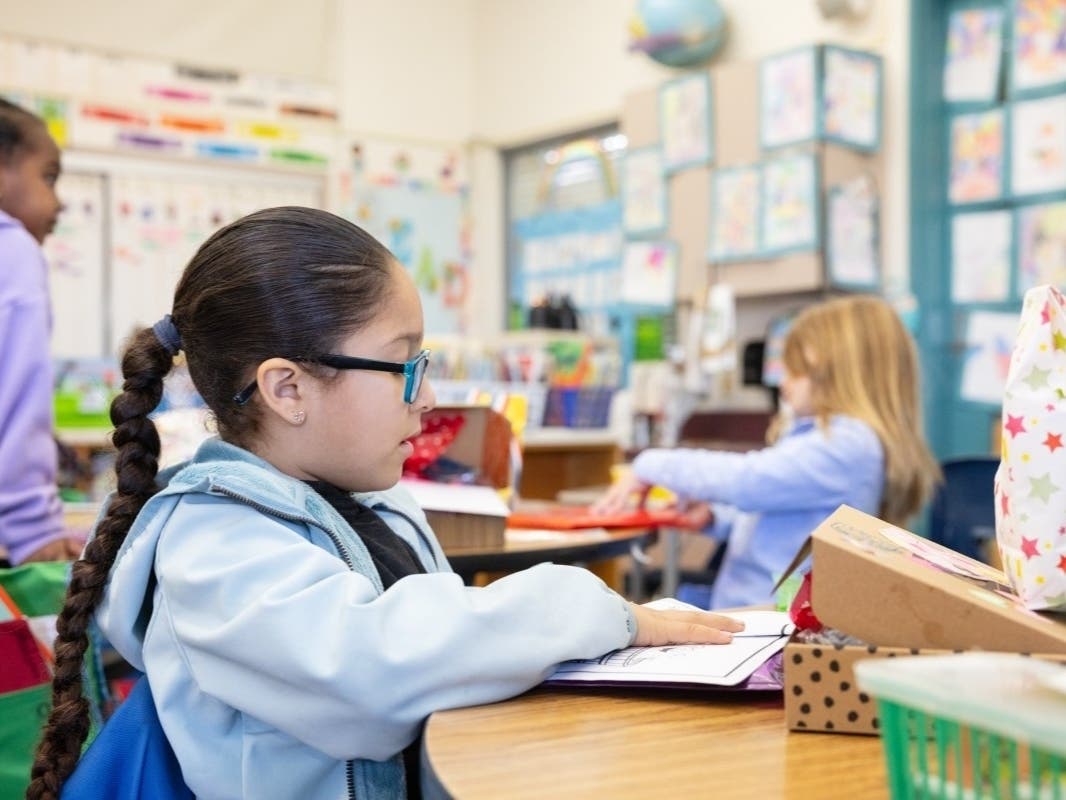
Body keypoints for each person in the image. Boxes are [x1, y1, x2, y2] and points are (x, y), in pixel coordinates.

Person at [27, 206, 743, 800]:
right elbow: (373, 670)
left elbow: (447, 661)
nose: (427, 397)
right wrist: (593, 609)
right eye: (405, 365)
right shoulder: (214, 548)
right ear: (288, 389)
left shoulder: (380, 505)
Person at [594, 294, 941, 610]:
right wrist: (716, 517)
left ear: (840, 375)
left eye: (797, 371)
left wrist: (649, 463)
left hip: (770, 625)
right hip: (756, 613)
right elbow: (780, 518)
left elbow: (747, 480)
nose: (782, 382)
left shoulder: (847, 444)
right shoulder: (825, 439)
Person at [0, 99, 83, 564]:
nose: (59, 201)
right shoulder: (11, 248)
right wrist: (34, 529)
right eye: (48, 177)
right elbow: (15, 397)